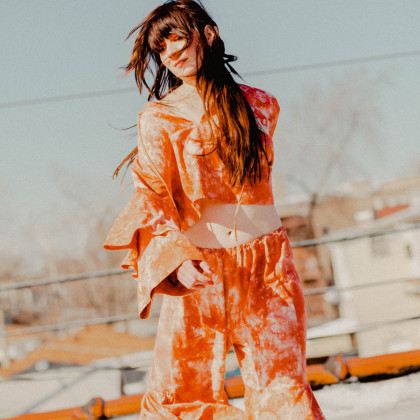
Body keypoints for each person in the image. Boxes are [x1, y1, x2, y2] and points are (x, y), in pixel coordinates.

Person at [104, 1, 325, 418]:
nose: (170, 53)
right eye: (161, 49)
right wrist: (175, 258)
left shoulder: (261, 105)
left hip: (268, 268)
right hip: (199, 271)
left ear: (207, 34)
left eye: (177, 38)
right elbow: (150, 193)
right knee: (181, 397)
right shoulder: (159, 117)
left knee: (284, 393)